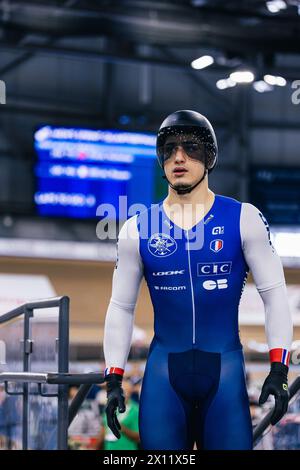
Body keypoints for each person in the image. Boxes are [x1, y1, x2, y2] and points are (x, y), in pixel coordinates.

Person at [103, 110, 293, 450]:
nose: (179, 157)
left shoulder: (244, 218)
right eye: (169, 148)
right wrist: (113, 377)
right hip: (164, 380)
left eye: (191, 147)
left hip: (225, 376)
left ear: (210, 157)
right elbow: (120, 307)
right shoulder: (136, 228)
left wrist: (279, 369)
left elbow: (275, 295)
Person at [95, 377, 140, 450]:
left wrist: (123, 429)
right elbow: (103, 430)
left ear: (129, 392)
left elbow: (138, 437)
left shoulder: (135, 410)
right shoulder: (110, 406)